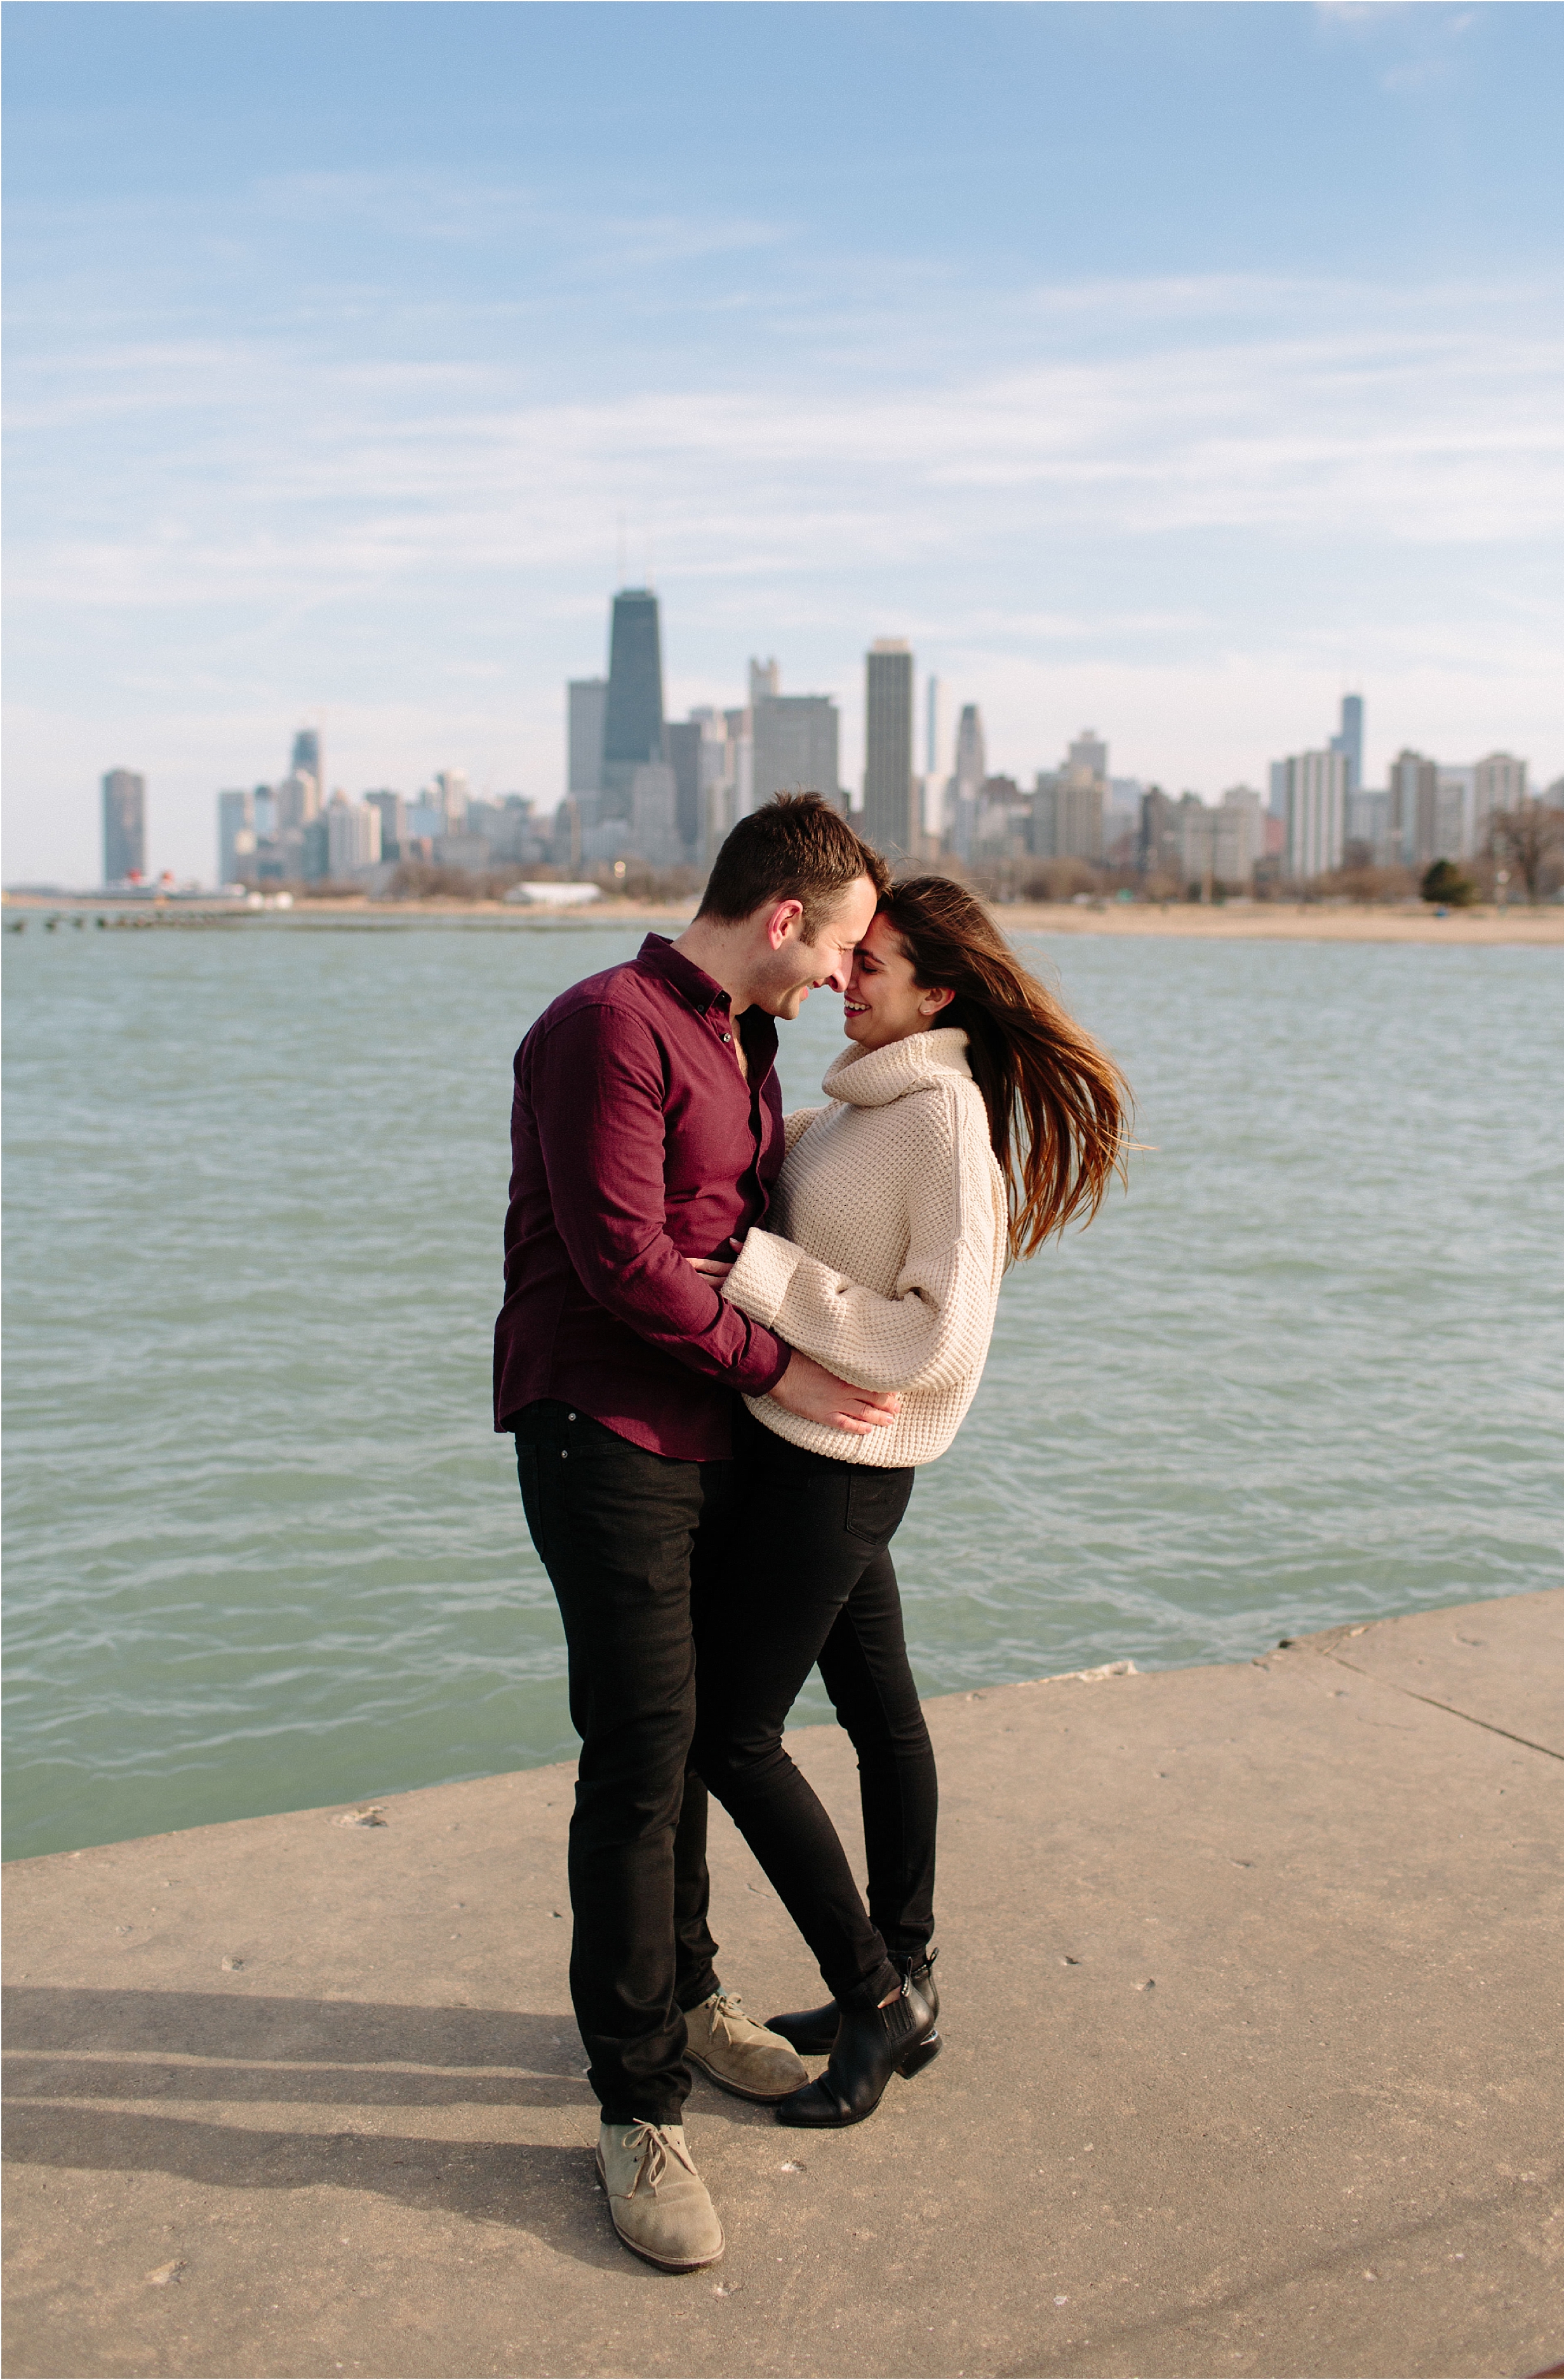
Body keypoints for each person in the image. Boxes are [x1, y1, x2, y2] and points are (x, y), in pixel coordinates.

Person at [493, 794, 897, 2272]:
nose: (842, 977)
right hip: (600, 1426)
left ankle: (687, 1996)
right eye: (839, 944)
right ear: (782, 915)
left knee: (686, 1741)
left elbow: (742, 1234)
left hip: (712, 1434)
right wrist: (786, 1364)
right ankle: (634, 2102)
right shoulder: (605, 1022)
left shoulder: (747, 1034)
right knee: (638, 1753)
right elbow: (623, 1262)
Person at [688, 874, 1130, 2129]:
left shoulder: (939, 1121)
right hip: (805, 1454)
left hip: (835, 1471)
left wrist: (764, 1276)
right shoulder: (859, 1105)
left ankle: (873, 1991)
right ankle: (911, 1975)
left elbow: (943, 1336)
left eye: (867, 964)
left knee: (730, 1731)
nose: (843, 978)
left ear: (936, 992)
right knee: (882, 1716)